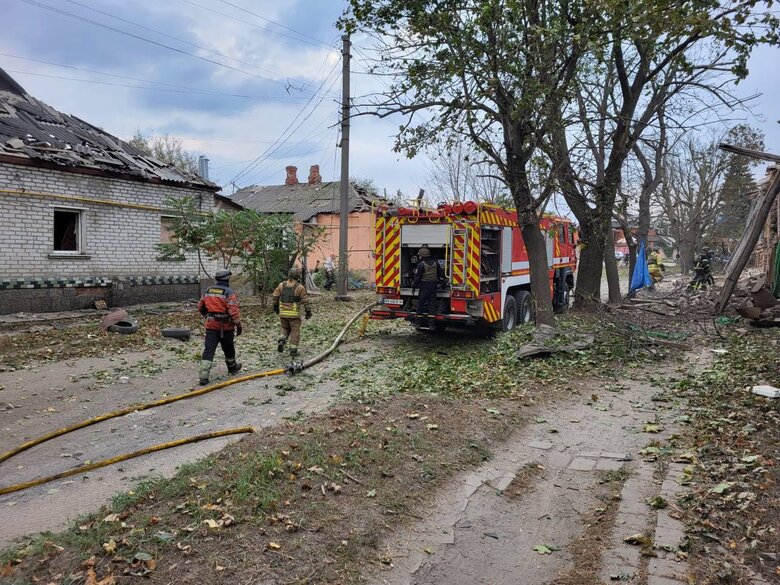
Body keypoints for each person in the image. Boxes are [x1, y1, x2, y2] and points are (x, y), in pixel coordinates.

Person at [197, 269, 242, 385]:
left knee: (209, 350)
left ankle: (203, 375)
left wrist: (207, 315)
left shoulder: (208, 290)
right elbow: (233, 311)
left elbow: (200, 306)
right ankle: (232, 368)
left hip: (211, 326)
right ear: (228, 279)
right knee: (228, 348)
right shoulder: (229, 292)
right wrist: (238, 324)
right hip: (227, 327)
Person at [272, 266, 312, 358]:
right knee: (295, 332)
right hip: (294, 316)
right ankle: (293, 351)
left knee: (284, 328)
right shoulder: (300, 287)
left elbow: (275, 296)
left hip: (283, 314)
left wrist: (276, 308)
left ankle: (282, 340)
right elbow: (306, 301)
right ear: (298, 276)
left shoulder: (281, 285)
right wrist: (308, 312)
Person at [412, 247, 443, 327]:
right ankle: (431, 325)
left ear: (422, 256)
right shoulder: (436, 263)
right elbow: (440, 275)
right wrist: (441, 283)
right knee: (431, 305)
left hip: (424, 286)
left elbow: (417, 277)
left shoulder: (421, 265)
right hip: (433, 286)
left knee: (420, 304)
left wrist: (414, 287)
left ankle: (418, 323)